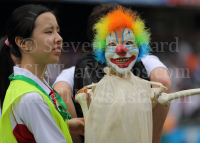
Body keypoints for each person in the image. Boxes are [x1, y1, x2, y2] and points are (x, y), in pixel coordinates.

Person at [54, 3, 171, 143]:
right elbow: (163, 80)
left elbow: (60, 93)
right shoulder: (80, 68)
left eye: (128, 41)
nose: (121, 49)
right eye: (112, 42)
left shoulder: (143, 61)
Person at [0, 4, 84, 143]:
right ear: (23, 43)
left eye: (58, 30)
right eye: (49, 32)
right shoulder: (32, 97)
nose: (59, 38)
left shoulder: (29, 86)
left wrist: (66, 124)